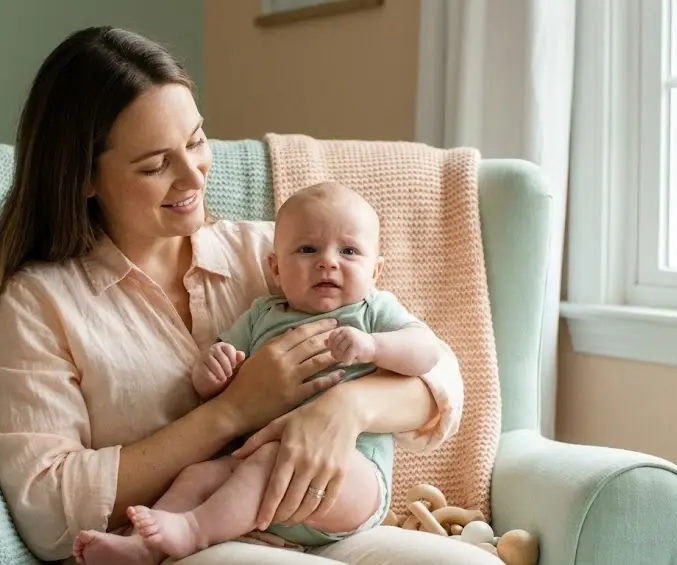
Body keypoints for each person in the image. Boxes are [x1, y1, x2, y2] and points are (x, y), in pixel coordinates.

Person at [0, 25, 500, 565]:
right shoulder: (39, 305)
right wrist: (231, 412)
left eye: (196, 141)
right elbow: (47, 509)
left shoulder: (276, 251)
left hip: (328, 523)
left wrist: (347, 408)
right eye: (155, 165)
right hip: (180, 542)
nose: (192, 177)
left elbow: (441, 375)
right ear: (84, 178)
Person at [70, 181, 445, 563]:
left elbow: (427, 353)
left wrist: (375, 346)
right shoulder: (262, 315)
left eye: (349, 251)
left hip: (351, 479)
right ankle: (142, 548)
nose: (328, 261)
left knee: (272, 459)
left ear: (375, 270)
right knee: (197, 476)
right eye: (307, 249)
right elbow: (213, 384)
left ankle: (194, 531)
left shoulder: (371, 311)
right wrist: (212, 370)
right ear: (276, 268)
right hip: (255, 481)